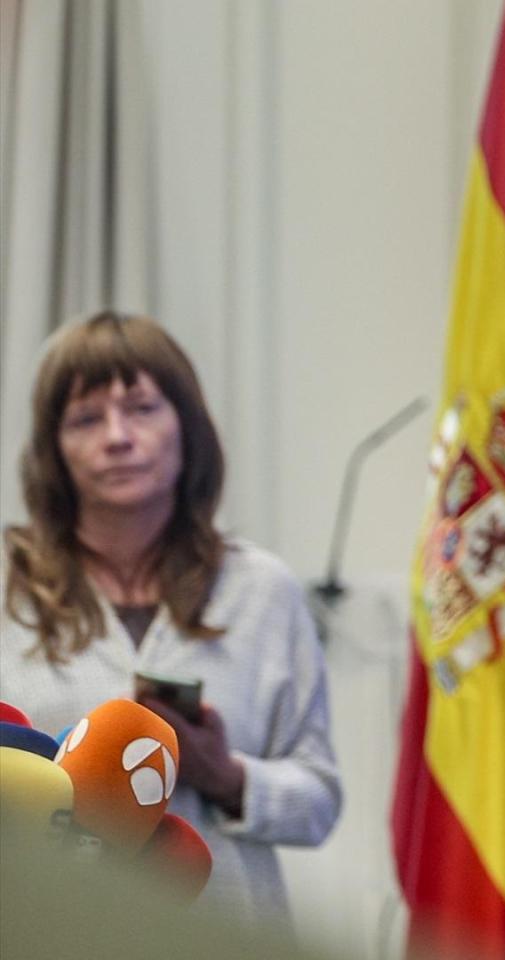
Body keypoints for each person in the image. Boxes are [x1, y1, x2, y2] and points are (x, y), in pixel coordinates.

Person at [1, 312, 340, 918]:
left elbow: (320, 800)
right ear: (54, 449)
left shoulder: (263, 590)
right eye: (85, 418)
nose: (117, 436)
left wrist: (227, 776)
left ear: (188, 427)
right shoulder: (8, 582)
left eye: (141, 408)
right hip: (47, 931)